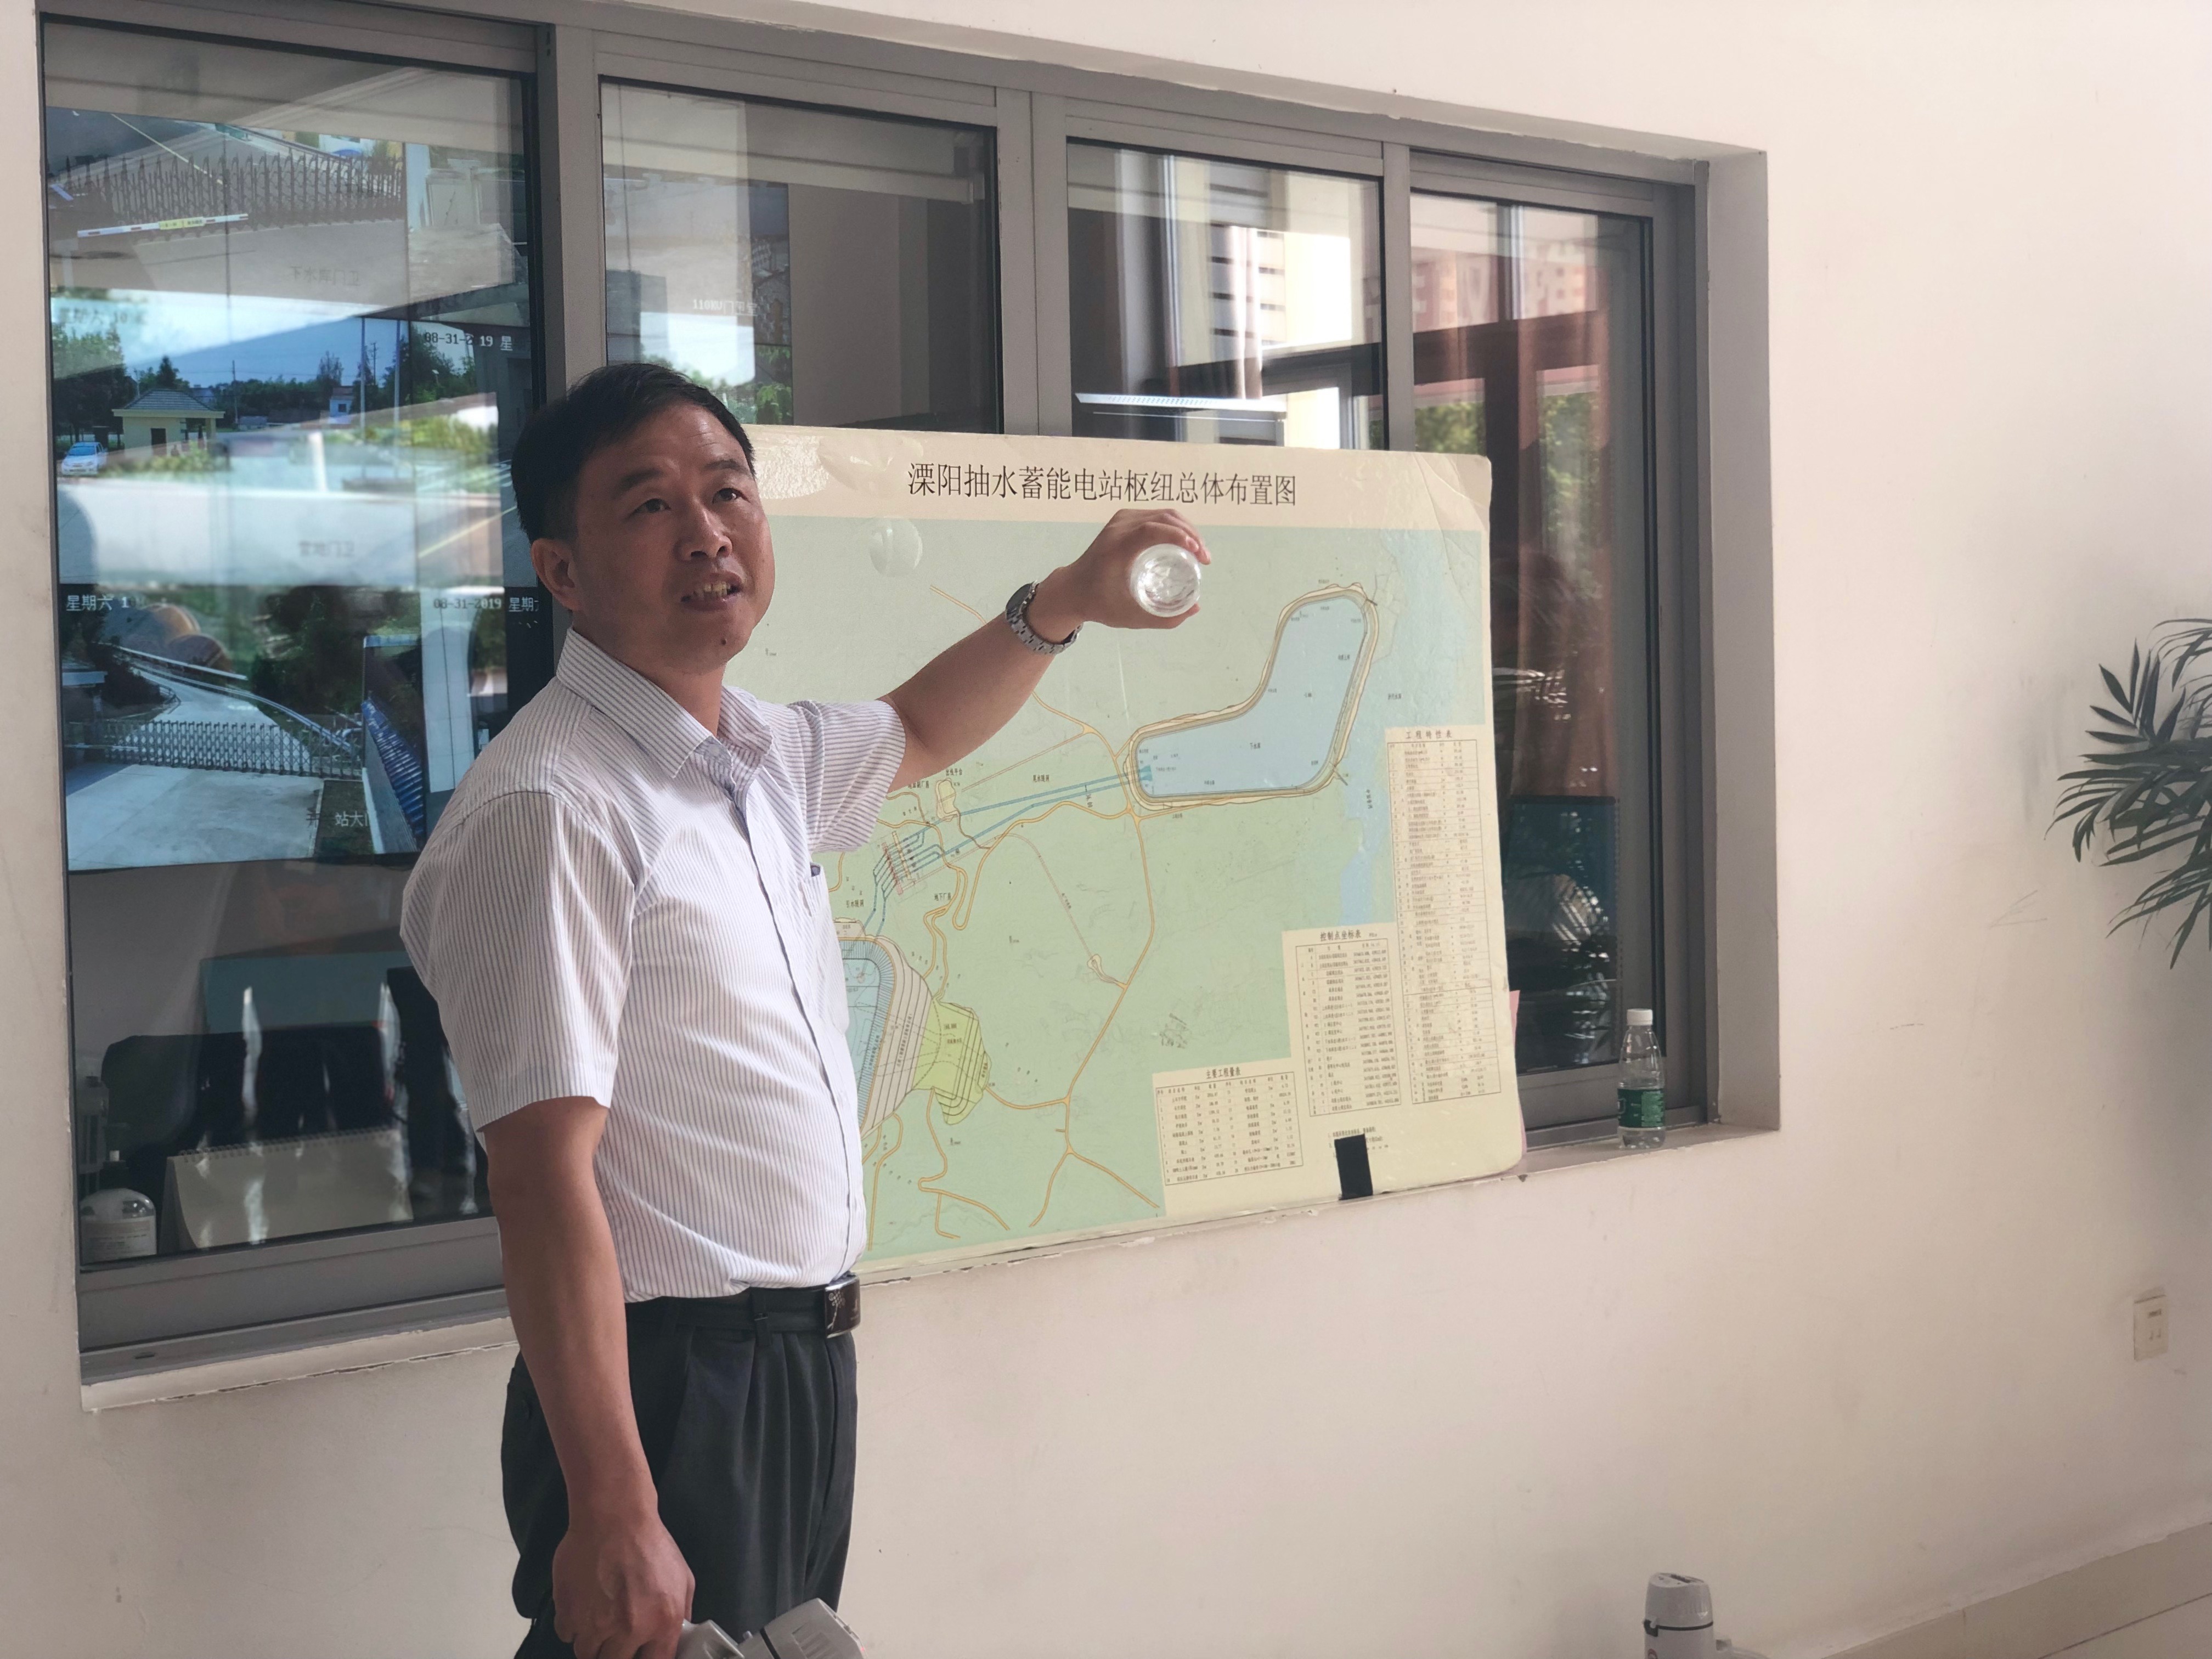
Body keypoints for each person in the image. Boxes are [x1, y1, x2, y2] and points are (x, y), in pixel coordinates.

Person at [400, 362, 1207, 1659]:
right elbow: (540, 1178)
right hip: (672, 1386)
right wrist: (614, 1502)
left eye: (728, 492)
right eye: (650, 506)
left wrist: (1063, 603)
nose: (707, 533)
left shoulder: (758, 759)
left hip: (792, 1365)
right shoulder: (553, 810)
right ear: (562, 572)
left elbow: (920, 729)